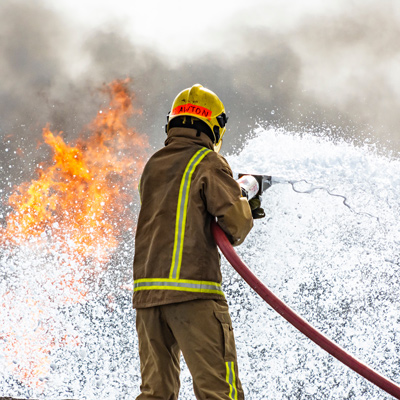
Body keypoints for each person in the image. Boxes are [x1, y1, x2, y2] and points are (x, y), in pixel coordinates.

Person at [132, 84, 263, 399]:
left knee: (156, 393)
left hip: (148, 299)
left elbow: (181, 210)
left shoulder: (154, 165)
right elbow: (236, 226)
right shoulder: (207, 161)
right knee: (219, 392)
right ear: (215, 127)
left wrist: (234, 191)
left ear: (172, 122)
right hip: (194, 293)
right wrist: (245, 195)